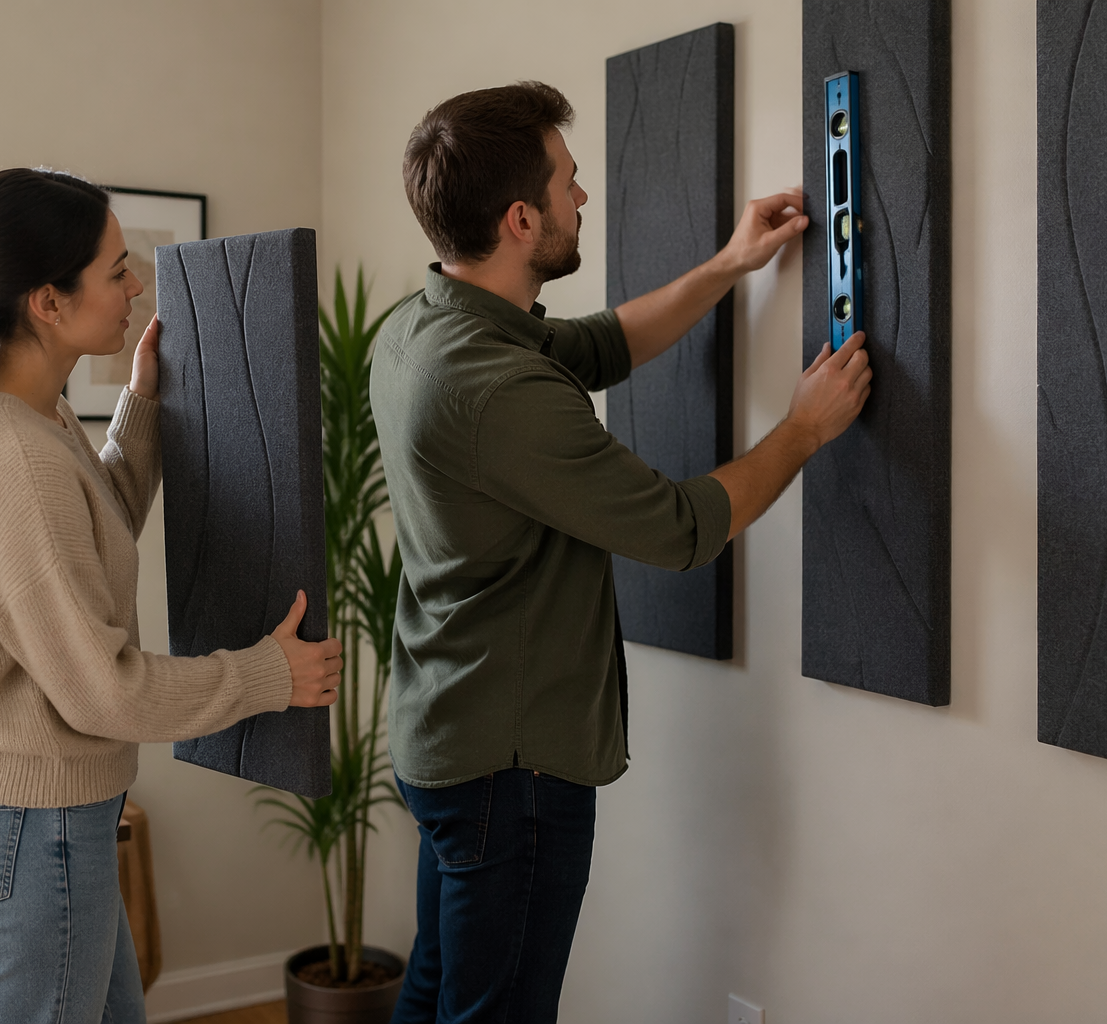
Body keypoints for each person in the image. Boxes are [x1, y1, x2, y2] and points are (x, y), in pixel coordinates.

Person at [371, 83, 871, 1023]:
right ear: (523, 219)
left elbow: (600, 345)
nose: (583, 197)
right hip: (508, 772)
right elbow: (682, 530)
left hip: (449, 734)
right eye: (568, 182)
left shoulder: (422, 330)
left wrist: (730, 262)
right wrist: (802, 431)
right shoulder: (495, 389)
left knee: (438, 991)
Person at [0, 167, 344, 1024]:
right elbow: (105, 690)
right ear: (48, 301)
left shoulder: (20, 418)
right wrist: (267, 674)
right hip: (31, 826)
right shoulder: (16, 459)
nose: (135, 284)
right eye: (117, 268)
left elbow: (91, 532)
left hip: (11, 814)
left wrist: (143, 402)